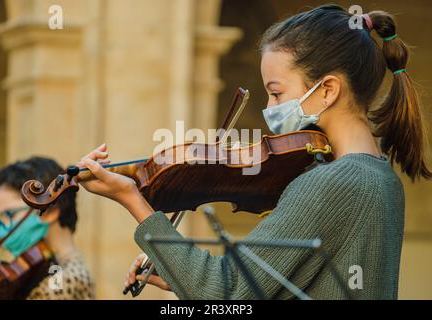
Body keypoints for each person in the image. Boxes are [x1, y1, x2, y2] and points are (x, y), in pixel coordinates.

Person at [77, 5, 430, 299]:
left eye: (276, 93)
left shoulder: (333, 183)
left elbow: (226, 291)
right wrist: (181, 274)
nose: (269, 105)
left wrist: (132, 199)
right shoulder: (381, 177)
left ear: (328, 91)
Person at [0, 157, 95, 299]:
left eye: (9, 215)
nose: (1, 232)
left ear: (50, 211)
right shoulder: (41, 272)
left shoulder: (64, 279)